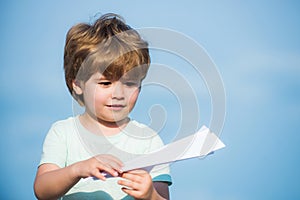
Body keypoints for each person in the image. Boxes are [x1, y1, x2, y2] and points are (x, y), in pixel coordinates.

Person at [34, 13, 172, 200]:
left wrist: (150, 195)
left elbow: (163, 197)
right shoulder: (63, 133)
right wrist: (77, 169)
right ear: (77, 84)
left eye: (130, 84)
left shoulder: (149, 140)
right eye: (105, 83)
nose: (118, 94)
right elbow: (42, 190)